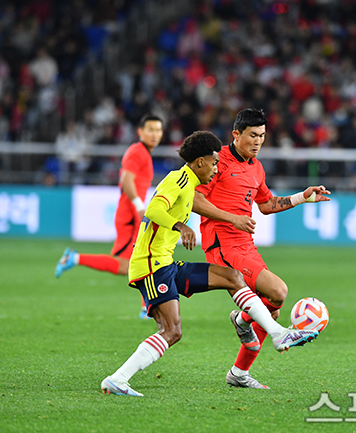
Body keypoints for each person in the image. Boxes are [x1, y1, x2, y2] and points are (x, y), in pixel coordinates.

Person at [101, 131, 319, 397]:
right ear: (200, 162)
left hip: (165, 263)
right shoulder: (178, 179)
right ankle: (118, 379)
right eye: (214, 163)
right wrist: (180, 226)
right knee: (172, 331)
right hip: (150, 266)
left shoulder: (189, 183)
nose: (216, 169)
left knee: (232, 277)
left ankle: (276, 333)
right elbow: (153, 209)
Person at [192, 108, 331, 389]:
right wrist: (232, 218)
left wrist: (302, 197)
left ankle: (239, 372)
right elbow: (194, 199)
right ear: (236, 134)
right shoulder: (217, 160)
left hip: (245, 243)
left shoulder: (256, 167)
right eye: (253, 135)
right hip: (222, 243)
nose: (258, 141)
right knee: (278, 291)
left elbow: (266, 204)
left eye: (262, 136)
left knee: (272, 311)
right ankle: (243, 321)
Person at [55, 114, 164, 319]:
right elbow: (126, 180)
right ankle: (147, 308)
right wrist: (139, 208)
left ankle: (75, 258)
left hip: (130, 213)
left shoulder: (141, 152)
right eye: (150, 129)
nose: (155, 134)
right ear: (140, 132)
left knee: (129, 264)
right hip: (131, 215)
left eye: (158, 130)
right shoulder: (138, 152)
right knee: (145, 257)